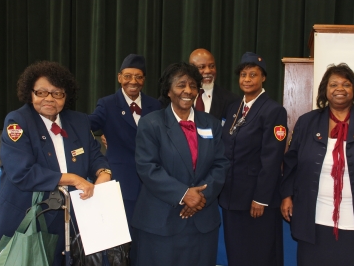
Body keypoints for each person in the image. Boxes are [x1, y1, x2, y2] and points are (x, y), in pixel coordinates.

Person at [0, 61, 111, 266]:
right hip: (27, 219)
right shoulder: (17, 122)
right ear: (30, 93)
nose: (49, 98)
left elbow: (95, 156)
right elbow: (22, 172)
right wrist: (72, 179)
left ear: (66, 96)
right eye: (41, 92)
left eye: (57, 93)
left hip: (69, 218)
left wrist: (103, 173)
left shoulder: (79, 121)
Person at [280, 63, 354, 266]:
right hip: (313, 216)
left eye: (346, 84)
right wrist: (287, 195)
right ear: (325, 90)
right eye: (333, 84)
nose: (339, 89)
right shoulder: (307, 122)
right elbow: (291, 162)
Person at [131, 62, 229, 266]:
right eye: (181, 85)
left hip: (202, 222)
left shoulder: (211, 123)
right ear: (168, 90)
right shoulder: (151, 123)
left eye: (193, 86)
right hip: (161, 222)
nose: (187, 91)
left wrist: (200, 197)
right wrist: (184, 194)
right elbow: (148, 168)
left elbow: (221, 164)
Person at [219, 52, 287, 266]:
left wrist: (261, 198)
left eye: (253, 75)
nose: (247, 79)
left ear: (263, 77)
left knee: (258, 255)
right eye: (243, 74)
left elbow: (272, 159)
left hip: (256, 201)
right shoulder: (234, 109)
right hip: (232, 198)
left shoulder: (274, 111)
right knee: (237, 254)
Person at [89, 54, 161, 228]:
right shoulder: (107, 104)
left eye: (138, 77)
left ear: (144, 80)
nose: (133, 81)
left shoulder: (155, 106)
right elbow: (85, 126)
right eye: (128, 76)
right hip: (120, 182)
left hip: (150, 183)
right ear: (119, 78)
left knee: (146, 232)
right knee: (120, 233)